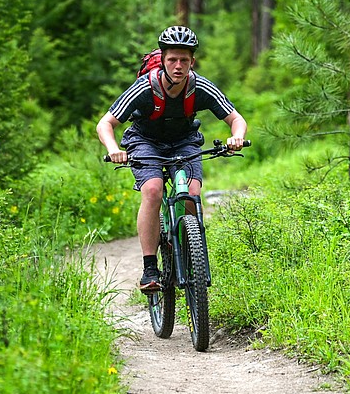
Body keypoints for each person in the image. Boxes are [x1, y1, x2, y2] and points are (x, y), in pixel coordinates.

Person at [97, 25, 248, 291]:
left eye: (184, 60)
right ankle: (150, 268)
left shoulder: (199, 86)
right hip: (145, 142)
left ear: (192, 61)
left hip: (184, 142)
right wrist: (113, 148)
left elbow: (236, 119)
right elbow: (105, 123)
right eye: (172, 59)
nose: (178, 65)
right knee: (153, 190)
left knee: (191, 193)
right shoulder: (145, 87)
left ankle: (192, 256)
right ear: (163, 59)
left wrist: (236, 137)